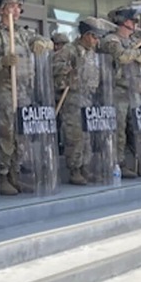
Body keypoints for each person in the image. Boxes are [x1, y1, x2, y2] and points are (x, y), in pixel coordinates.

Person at [0, 0, 53, 195]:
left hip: (23, 91)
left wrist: (41, 43)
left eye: (19, 7)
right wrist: (1, 62)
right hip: (3, 91)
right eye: (12, 6)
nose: (17, 10)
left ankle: (15, 174)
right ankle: (2, 175)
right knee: (6, 134)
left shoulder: (24, 34)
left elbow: (44, 42)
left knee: (20, 135)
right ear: (2, 9)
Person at [53, 17, 113, 185]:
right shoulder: (69, 50)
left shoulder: (93, 54)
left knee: (87, 136)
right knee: (75, 135)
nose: (96, 41)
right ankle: (74, 169)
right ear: (86, 35)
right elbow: (54, 67)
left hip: (89, 97)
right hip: (72, 97)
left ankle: (85, 166)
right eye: (94, 37)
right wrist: (70, 69)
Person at [101, 6, 141, 178]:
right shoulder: (111, 39)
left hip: (136, 91)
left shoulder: (135, 41)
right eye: (133, 20)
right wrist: (140, 53)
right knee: (119, 130)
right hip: (118, 91)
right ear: (125, 21)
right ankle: (119, 164)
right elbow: (122, 57)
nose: (135, 24)